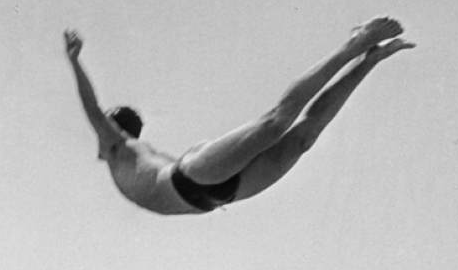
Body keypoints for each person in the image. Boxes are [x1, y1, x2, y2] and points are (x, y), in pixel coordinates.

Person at [63, 19, 414, 216]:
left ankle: (354, 44)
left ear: (114, 129)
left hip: (192, 178)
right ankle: (369, 61)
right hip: (223, 195)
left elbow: (91, 107)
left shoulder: (116, 145)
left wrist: (76, 61)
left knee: (277, 122)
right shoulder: (124, 154)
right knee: (303, 139)